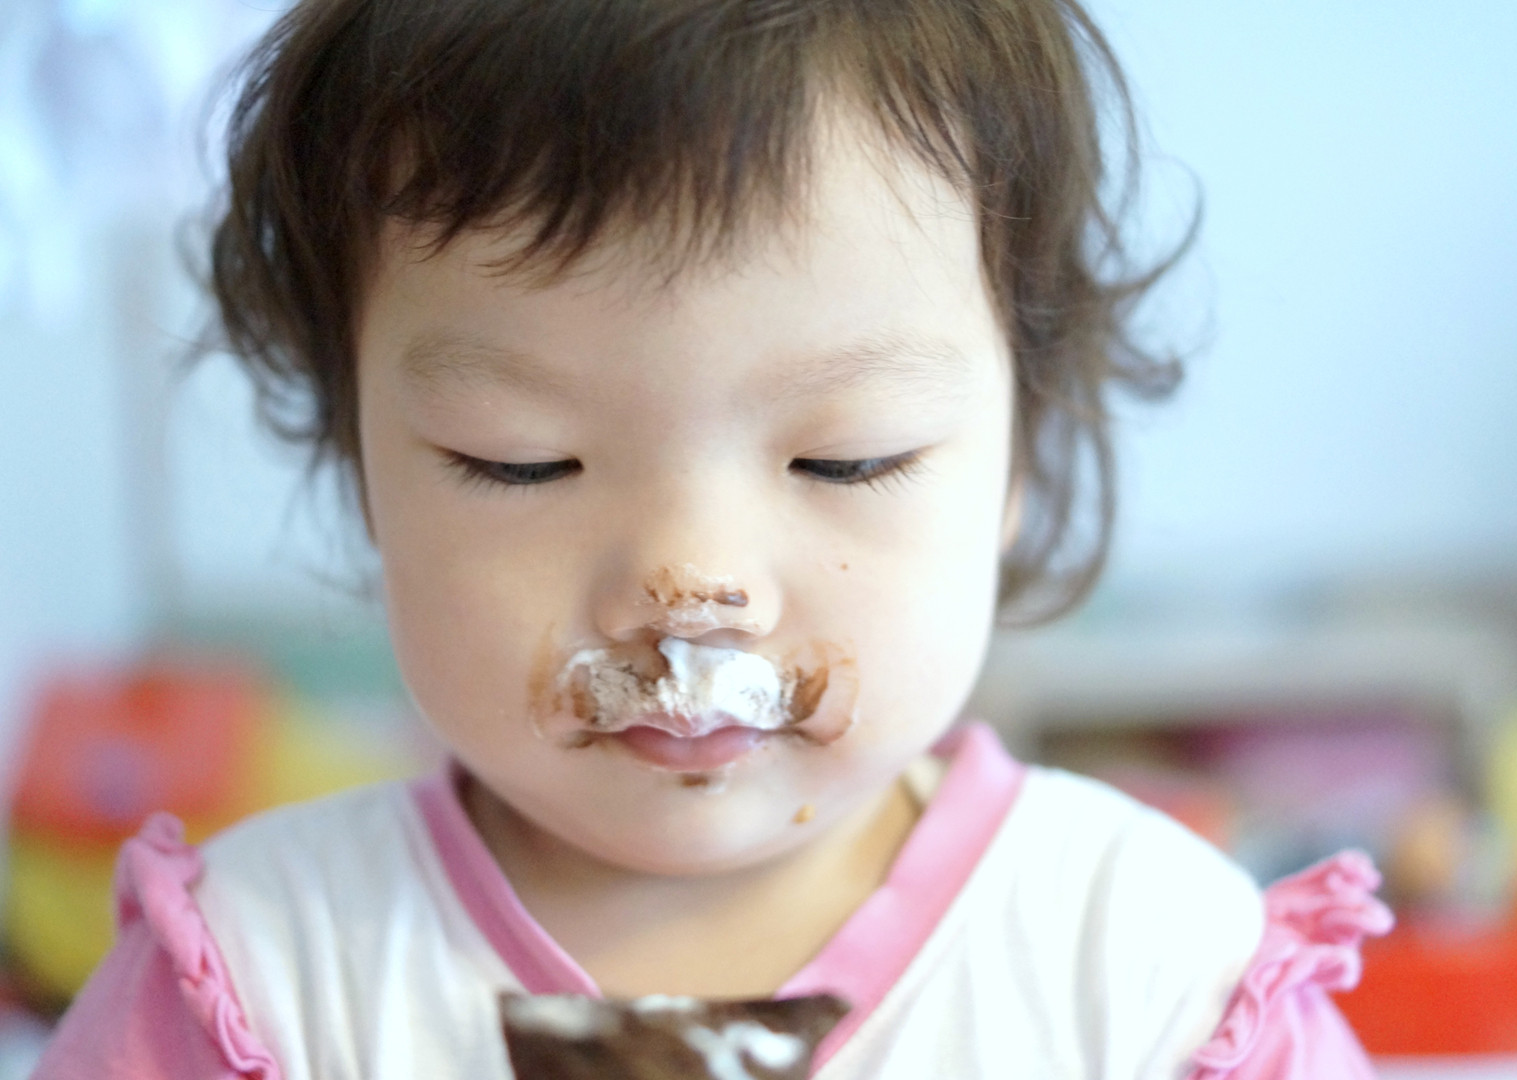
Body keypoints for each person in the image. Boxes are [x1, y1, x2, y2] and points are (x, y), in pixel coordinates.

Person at [32, 0, 1393, 1076]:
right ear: (364, 465)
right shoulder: (262, 978)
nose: (689, 591)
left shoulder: (1152, 975)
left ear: (1018, 458)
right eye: (519, 459)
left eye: (846, 457)